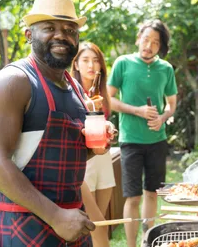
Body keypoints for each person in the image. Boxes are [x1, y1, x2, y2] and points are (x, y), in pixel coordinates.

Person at [0, 0, 114, 246]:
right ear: (29, 35)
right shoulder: (13, 82)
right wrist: (55, 215)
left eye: (69, 29)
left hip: (73, 221)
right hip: (24, 226)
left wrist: (96, 147)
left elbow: (61, 156)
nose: (61, 35)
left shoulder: (74, 87)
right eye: (49, 28)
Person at [107, 19, 177, 247]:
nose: (149, 45)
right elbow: (110, 99)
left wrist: (162, 118)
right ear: (138, 38)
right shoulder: (123, 63)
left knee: (152, 193)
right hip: (131, 141)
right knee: (133, 196)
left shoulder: (166, 69)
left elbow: (171, 105)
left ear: (160, 46)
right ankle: (131, 245)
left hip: (157, 140)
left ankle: (148, 242)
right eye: (146, 39)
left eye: (155, 42)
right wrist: (137, 110)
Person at [70, 42, 116, 247]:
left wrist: (109, 127)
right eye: (85, 60)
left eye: (96, 60)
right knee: (97, 224)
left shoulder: (101, 93)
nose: (91, 65)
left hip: (103, 159)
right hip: (83, 161)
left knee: (101, 221)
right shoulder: (70, 91)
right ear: (76, 64)